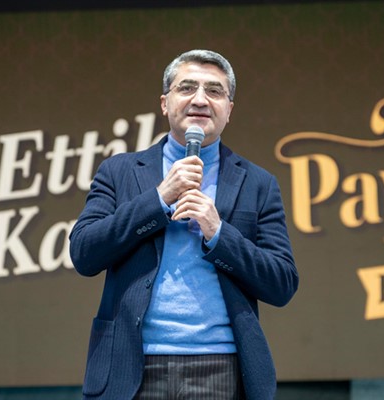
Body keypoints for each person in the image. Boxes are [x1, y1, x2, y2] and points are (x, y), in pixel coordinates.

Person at [69, 49, 299, 400]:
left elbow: (281, 283)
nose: (200, 99)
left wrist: (219, 233)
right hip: (131, 364)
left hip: (221, 365)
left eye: (215, 91)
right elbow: (84, 253)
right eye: (187, 87)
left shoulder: (258, 183)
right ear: (165, 103)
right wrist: (159, 199)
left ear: (229, 110)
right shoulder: (118, 172)